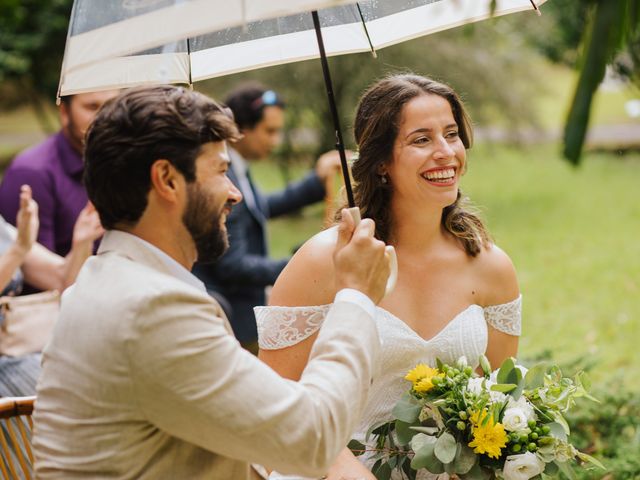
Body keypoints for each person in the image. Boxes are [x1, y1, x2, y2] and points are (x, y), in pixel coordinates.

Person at [32, 85, 392, 479]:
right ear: (167, 180)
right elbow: (312, 440)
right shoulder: (152, 310)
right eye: (221, 171)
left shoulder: (104, 280)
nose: (234, 193)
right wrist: (355, 296)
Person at [257, 74, 522, 480]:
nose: (446, 152)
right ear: (381, 161)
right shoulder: (323, 261)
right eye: (421, 140)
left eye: (451, 134)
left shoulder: (491, 266)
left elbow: (497, 403)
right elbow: (276, 407)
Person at [193, 84, 341, 352]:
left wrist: (317, 183)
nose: (275, 141)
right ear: (241, 130)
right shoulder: (227, 177)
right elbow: (233, 265)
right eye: (269, 131)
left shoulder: (239, 169)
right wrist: (298, 266)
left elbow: (261, 207)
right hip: (233, 324)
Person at [0, 185, 102, 396]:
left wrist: (82, 241)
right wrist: (18, 249)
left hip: (14, 354)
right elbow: (20, 248)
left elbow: (62, 279)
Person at [0, 91, 118, 261]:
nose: (105, 116)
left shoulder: (121, 162)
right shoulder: (32, 172)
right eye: (92, 106)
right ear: (64, 112)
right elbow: (35, 273)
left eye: (112, 105)